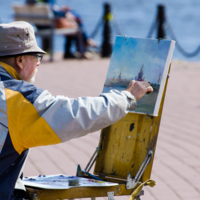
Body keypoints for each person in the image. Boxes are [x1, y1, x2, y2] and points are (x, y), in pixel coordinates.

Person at [0, 21, 153, 200]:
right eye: (36, 57)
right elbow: (73, 114)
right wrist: (127, 97)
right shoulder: (13, 97)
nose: (39, 64)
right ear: (20, 60)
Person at [26, 0, 97, 59]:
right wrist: (65, 13)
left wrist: (61, 11)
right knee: (75, 21)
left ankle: (78, 49)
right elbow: (53, 13)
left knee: (73, 20)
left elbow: (50, 10)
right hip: (49, 25)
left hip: (39, 25)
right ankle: (83, 47)